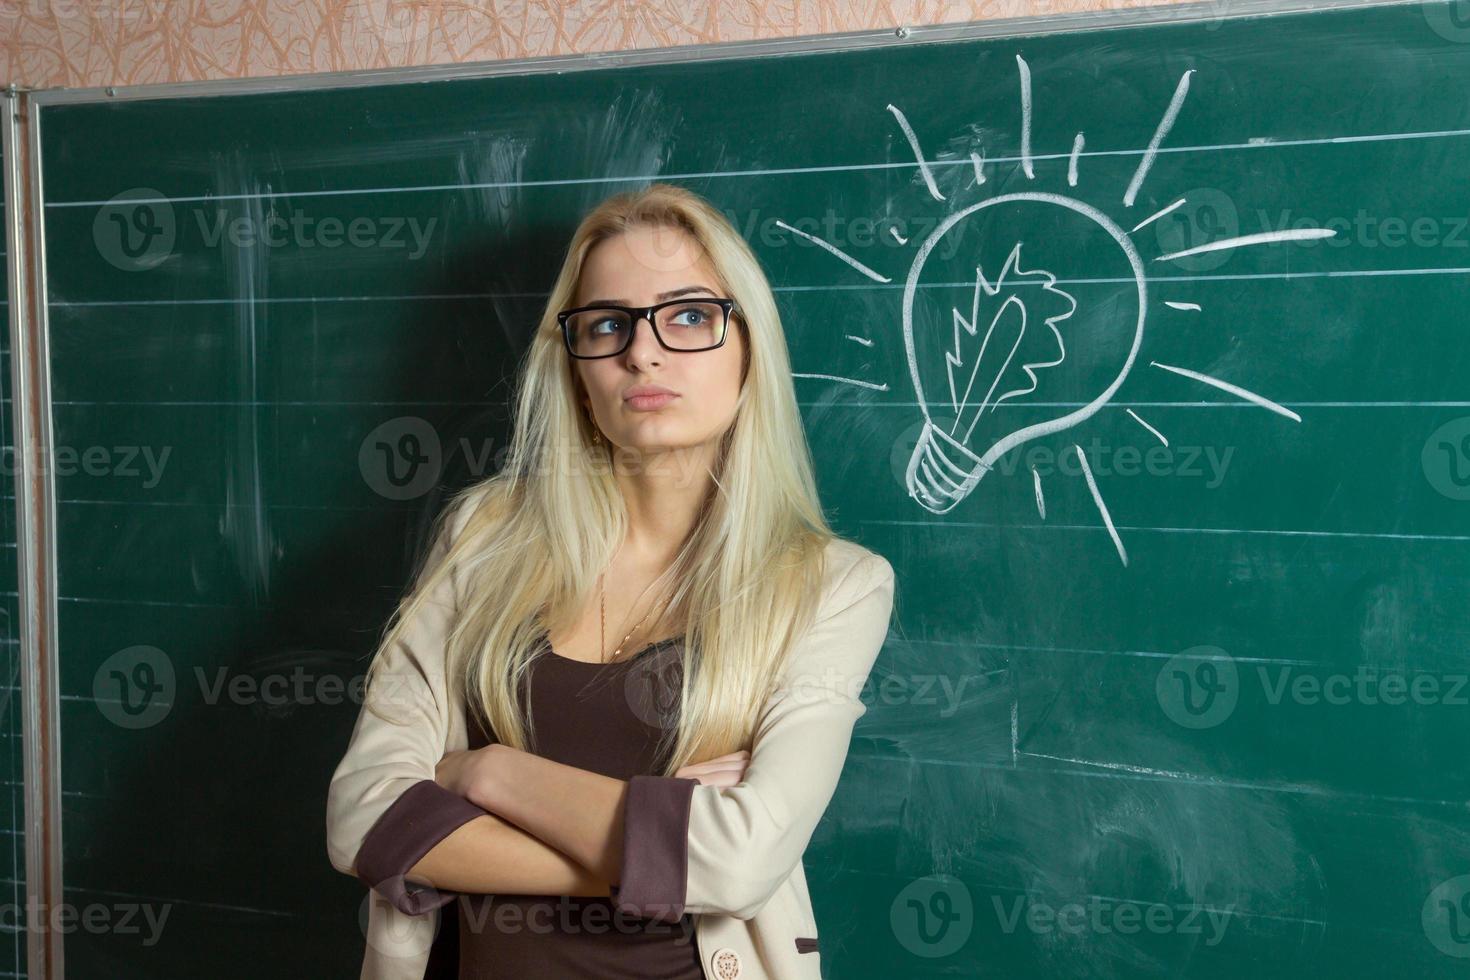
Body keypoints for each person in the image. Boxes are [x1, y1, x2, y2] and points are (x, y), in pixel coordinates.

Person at [325, 181, 896, 980]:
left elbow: (742, 864)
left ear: (750, 348)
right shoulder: (483, 536)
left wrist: (485, 775)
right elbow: (361, 819)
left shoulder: (834, 587)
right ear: (577, 366)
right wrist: (662, 857)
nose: (644, 352)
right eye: (607, 324)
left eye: (690, 315)